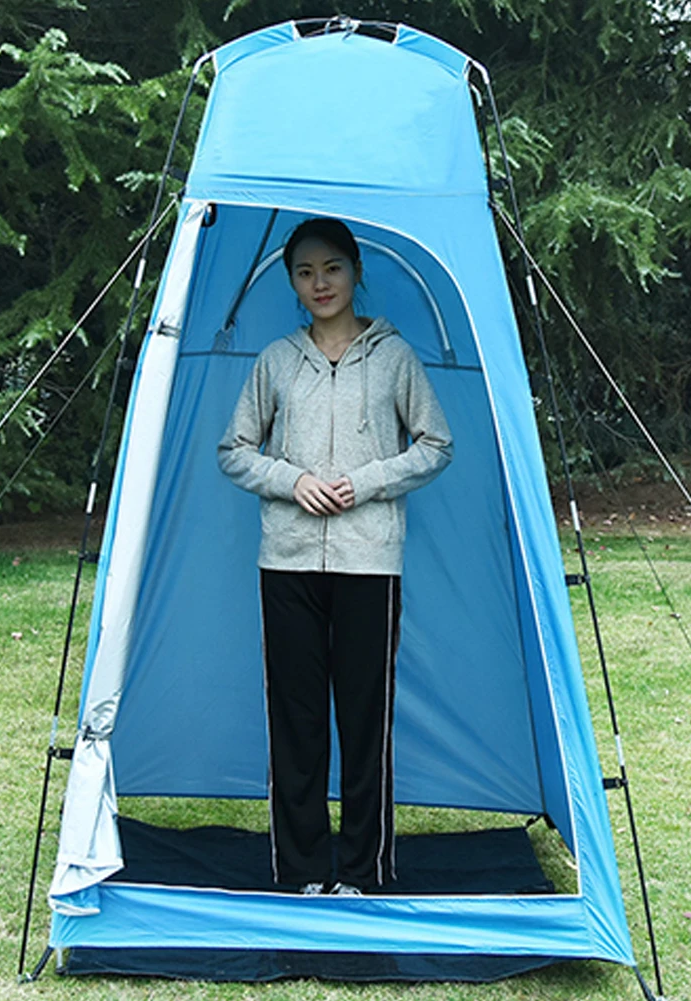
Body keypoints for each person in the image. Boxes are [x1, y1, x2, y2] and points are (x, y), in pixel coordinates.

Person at [218, 217, 452, 895]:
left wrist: (367, 481)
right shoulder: (275, 361)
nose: (319, 283)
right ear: (292, 283)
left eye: (331, 268)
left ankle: (362, 872)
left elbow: (436, 444)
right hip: (286, 562)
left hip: (369, 564)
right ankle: (299, 872)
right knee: (296, 721)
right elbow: (233, 450)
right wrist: (292, 480)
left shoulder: (394, 357)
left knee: (364, 720)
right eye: (304, 272)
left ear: (355, 271)